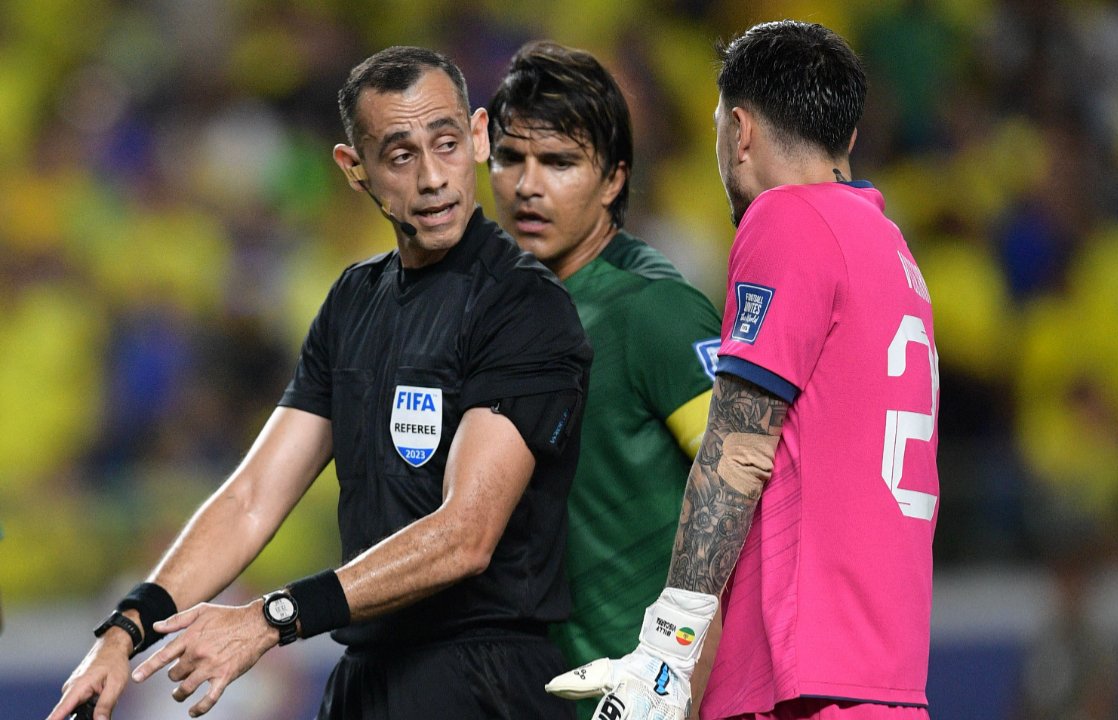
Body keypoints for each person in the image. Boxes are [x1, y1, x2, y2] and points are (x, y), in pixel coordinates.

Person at [48, 46, 590, 720]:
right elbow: (251, 497)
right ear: (354, 169)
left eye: (446, 144)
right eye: (399, 155)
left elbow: (464, 535)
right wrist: (125, 630)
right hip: (365, 680)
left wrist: (272, 616)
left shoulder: (522, 306)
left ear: (479, 137)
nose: (432, 178)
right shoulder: (354, 300)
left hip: (484, 679)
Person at [547, 20, 940, 720]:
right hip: (883, 679)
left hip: (803, 680)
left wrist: (666, 647)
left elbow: (737, 448)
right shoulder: (891, 247)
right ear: (846, 139)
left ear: (740, 129)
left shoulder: (786, 218)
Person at [486, 41, 723, 719]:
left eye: (559, 162)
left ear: (614, 180)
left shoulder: (653, 310)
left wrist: (682, 681)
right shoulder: (497, 316)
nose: (528, 186)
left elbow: (752, 499)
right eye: (511, 159)